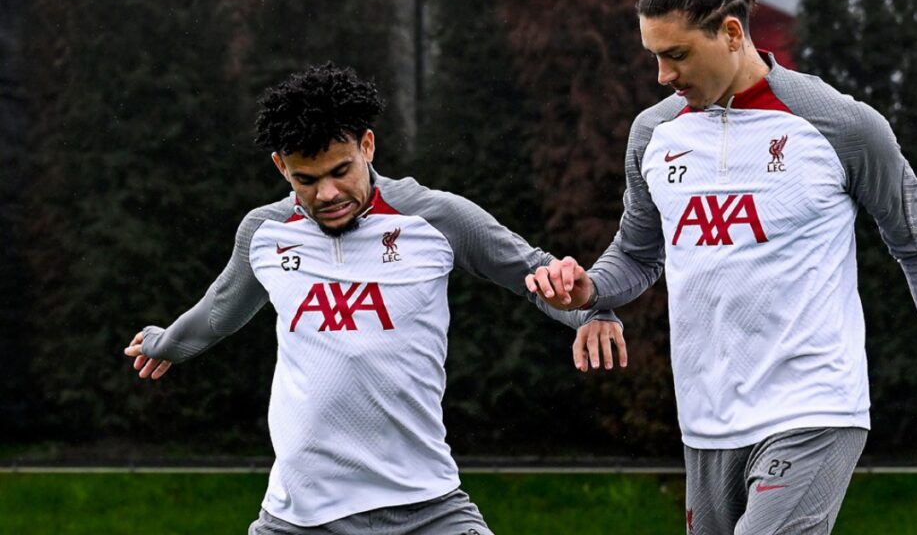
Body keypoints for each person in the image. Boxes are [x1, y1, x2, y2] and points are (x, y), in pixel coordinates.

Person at [525, 0, 917, 533]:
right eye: (654, 56)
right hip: (706, 422)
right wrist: (591, 288)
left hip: (814, 408)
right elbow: (639, 254)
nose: (661, 76)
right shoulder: (653, 135)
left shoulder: (841, 126)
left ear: (730, 33)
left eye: (676, 55)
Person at [123, 63, 625, 535]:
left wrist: (592, 311)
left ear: (368, 145)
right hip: (298, 517)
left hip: (427, 508)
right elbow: (218, 311)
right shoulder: (264, 233)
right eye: (307, 179)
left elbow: (536, 273)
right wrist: (165, 343)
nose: (327, 194)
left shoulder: (435, 218)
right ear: (281, 167)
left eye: (341, 170)